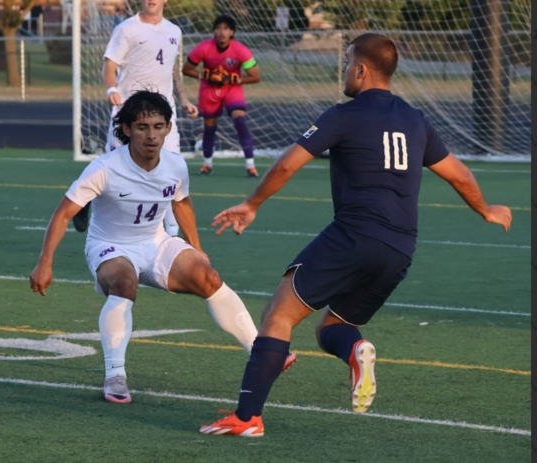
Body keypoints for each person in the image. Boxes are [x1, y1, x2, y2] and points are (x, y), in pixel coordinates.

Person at [200, 33, 512, 437]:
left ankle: (246, 418)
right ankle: (355, 350)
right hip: (400, 249)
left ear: (361, 69)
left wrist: (252, 204)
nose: (344, 69)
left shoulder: (342, 115)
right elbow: (460, 174)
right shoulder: (416, 119)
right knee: (331, 326)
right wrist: (485, 210)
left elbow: (287, 165)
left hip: (354, 235)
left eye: (347, 61)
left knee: (278, 314)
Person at [30, 91, 295, 404]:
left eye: (158, 126)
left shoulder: (175, 165)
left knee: (208, 277)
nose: (151, 135)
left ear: (169, 128)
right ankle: (115, 376)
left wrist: (196, 247)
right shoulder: (103, 168)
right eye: (142, 127)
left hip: (156, 243)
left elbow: (180, 201)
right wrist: (44, 262)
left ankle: (261, 350)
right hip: (110, 246)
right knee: (124, 283)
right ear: (126, 129)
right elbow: (63, 214)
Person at [73, 0, 199, 237]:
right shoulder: (126, 28)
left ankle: (171, 235)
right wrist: (111, 89)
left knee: (171, 169)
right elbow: (109, 64)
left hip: (162, 114)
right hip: (129, 110)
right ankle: (83, 200)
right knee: (113, 165)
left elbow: (172, 70)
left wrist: (183, 100)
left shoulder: (174, 31)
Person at [182, 15, 261, 177]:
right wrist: (205, 75)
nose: (222, 32)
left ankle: (250, 165)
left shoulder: (240, 50)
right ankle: (207, 164)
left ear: (232, 32)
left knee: (240, 121)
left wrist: (234, 78)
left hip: (232, 89)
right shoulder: (204, 48)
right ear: (214, 31)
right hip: (209, 90)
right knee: (209, 128)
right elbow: (186, 69)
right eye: (219, 28)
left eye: (226, 28)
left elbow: (255, 76)